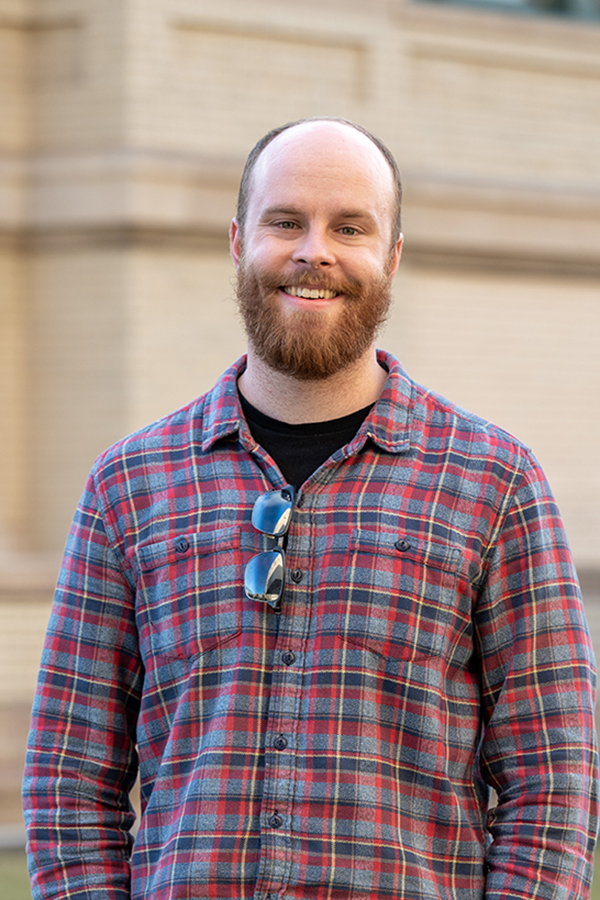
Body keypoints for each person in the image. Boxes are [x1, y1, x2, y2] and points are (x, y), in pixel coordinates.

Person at [23, 117, 598, 900]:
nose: (313, 251)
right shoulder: (130, 484)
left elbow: (554, 783)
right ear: (237, 241)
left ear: (392, 257)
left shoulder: (494, 485)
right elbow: (68, 783)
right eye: (285, 221)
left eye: (350, 227)